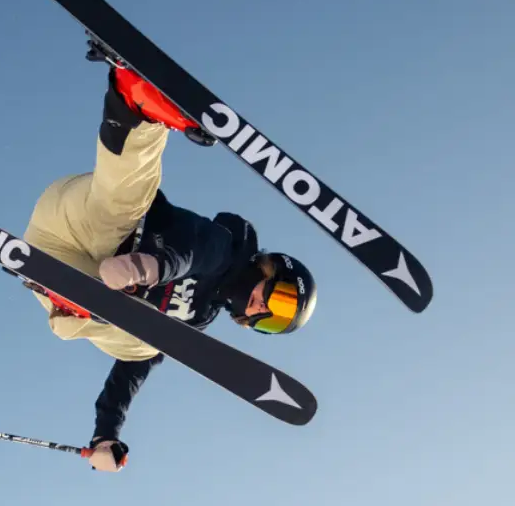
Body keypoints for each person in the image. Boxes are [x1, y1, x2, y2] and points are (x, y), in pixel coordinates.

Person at [22, 61, 316, 472]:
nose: (263, 309)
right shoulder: (225, 244)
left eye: (272, 321)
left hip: (56, 269)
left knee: (147, 344)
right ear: (270, 268)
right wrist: (148, 268)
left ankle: (75, 298)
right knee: (120, 206)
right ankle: (134, 103)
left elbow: (129, 374)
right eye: (280, 299)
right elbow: (194, 251)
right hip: (79, 219)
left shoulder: (193, 324)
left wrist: (105, 432)